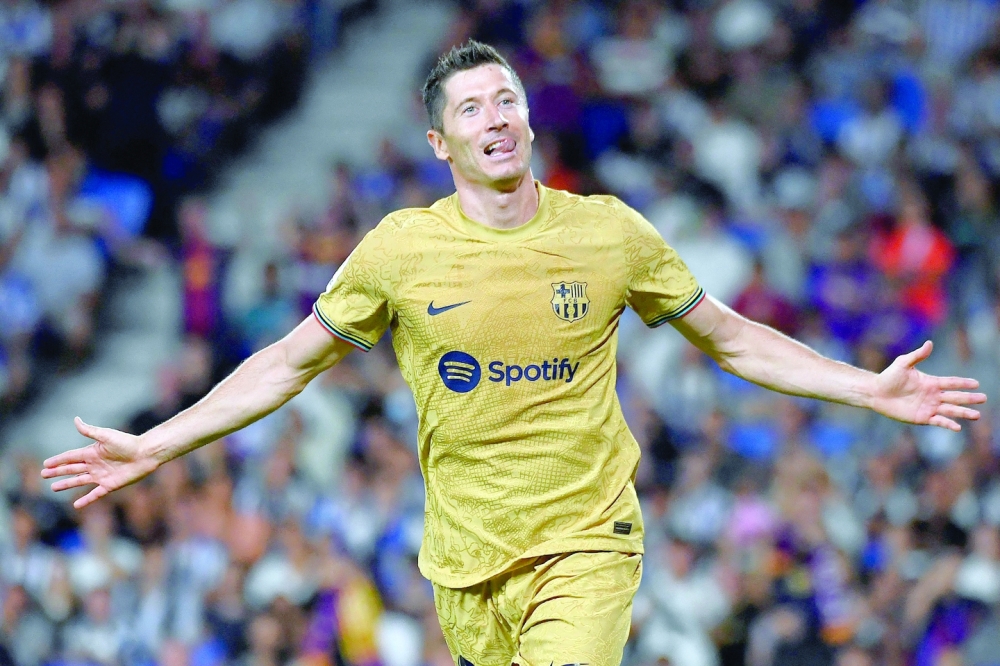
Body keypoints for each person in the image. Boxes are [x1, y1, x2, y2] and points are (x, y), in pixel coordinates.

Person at [42, 41, 986, 666]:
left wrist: (869, 389)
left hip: (587, 541)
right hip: (464, 568)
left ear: (530, 120)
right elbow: (287, 363)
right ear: (440, 142)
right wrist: (161, 441)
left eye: (508, 100)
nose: (495, 117)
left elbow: (732, 339)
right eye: (471, 109)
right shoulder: (401, 249)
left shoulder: (610, 233)